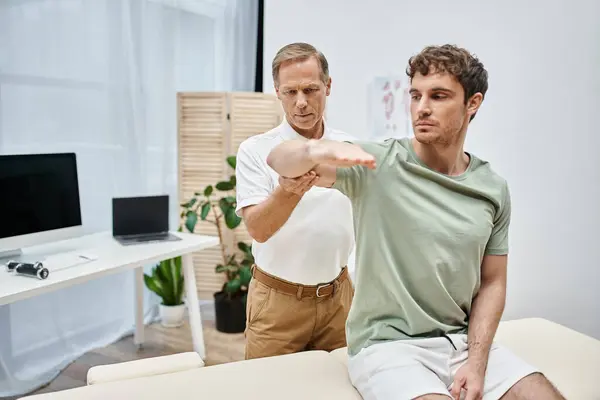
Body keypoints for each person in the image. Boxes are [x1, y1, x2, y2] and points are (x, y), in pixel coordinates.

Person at [266, 44, 565, 400]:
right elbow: (279, 160)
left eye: (438, 96)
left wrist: (478, 361)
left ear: (473, 103)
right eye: (415, 95)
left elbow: (493, 283)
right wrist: (316, 151)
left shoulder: (492, 188)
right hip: (386, 347)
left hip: (461, 343)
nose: (422, 108)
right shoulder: (378, 164)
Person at [235, 42, 355, 360]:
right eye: (290, 92)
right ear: (277, 91)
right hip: (277, 304)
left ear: (327, 87)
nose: (300, 103)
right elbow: (258, 230)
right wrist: (288, 190)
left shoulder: (349, 148)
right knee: (266, 390)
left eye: (310, 89)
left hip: (339, 299)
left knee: (341, 388)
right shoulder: (255, 150)